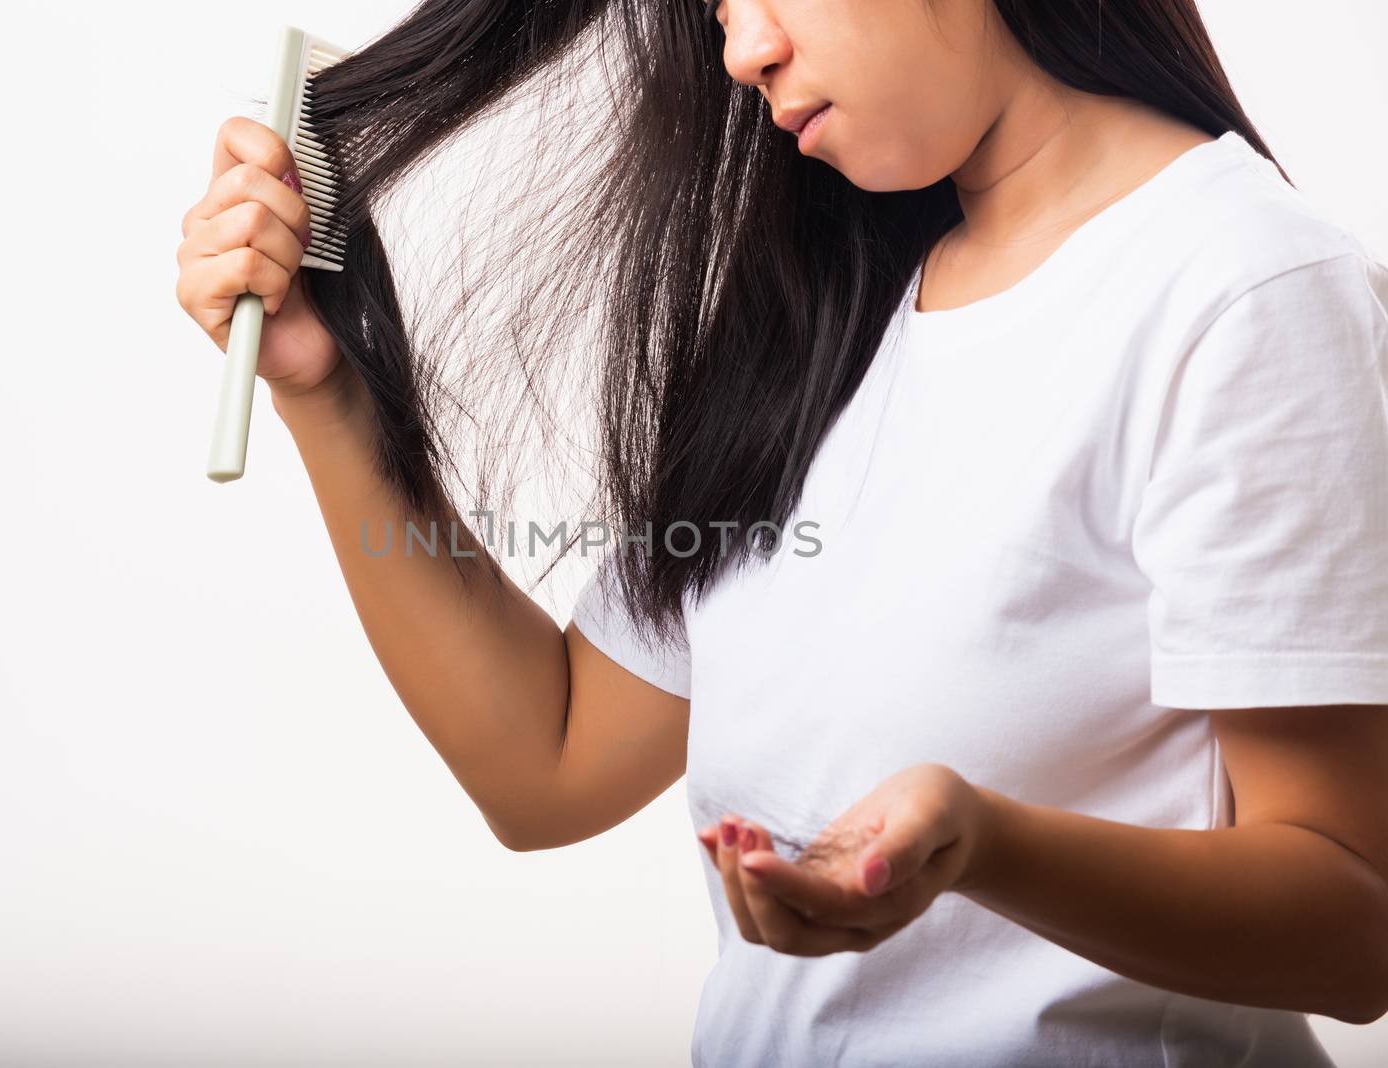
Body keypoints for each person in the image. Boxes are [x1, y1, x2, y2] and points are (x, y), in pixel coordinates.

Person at [174, 1, 1388, 1063]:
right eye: (714, 6)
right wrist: (323, 388)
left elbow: (1354, 929)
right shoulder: (822, 319)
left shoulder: (1237, 292)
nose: (744, 50)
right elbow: (546, 766)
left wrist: (983, 847)